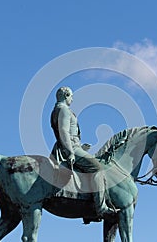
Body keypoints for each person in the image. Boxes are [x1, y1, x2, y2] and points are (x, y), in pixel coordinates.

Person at [50, 86, 116, 217]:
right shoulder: (63, 109)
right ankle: (100, 207)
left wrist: (81, 147)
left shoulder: (57, 109)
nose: (72, 99)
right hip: (70, 148)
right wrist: (71, 151)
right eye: (71, 96)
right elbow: (64, 132)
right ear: (66, 95)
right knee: (97, 168)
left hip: (73, 146)